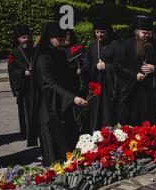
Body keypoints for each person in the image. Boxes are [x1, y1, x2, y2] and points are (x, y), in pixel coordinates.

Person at [28, 22, 87, 166]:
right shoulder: (42, 57)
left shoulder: (59, 53)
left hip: (61, 103)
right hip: (48, 106)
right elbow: (49, 84)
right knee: (52, 143)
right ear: (50, 39)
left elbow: (65, 74)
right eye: (58, 40)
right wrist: (72, 98)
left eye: (62, 40)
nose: (61, 43)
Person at [115, 15, 156, 126]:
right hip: (133, 91)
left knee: (154, 123)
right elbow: (118, 66)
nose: (146, 36)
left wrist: (154, 68)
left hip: (152, 92)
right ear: (137, 31)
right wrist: (134, 75)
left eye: (148, 33)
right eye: (143, 33)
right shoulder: (126, 45)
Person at [82, 17, 120, 132]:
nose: (99, 35)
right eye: (97, 32)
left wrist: (107, 67)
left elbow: (121, 65)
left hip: (109, 87)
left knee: (108, 114)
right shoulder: (93, 45)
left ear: (107, 31)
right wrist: (88, 67)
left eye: (102, 32)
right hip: (95, 86)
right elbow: (87, 61)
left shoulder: (116, 45)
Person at [8, 25, 34, 138]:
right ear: (18, 39)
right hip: (23, 86)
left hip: (34, 85)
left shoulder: (34, 50)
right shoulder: (14, 53)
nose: (26, 40)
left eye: (27, 37)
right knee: (24, 110)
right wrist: (23, 73)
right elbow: (11, 71)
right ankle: (26, 132)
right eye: (23, 38)